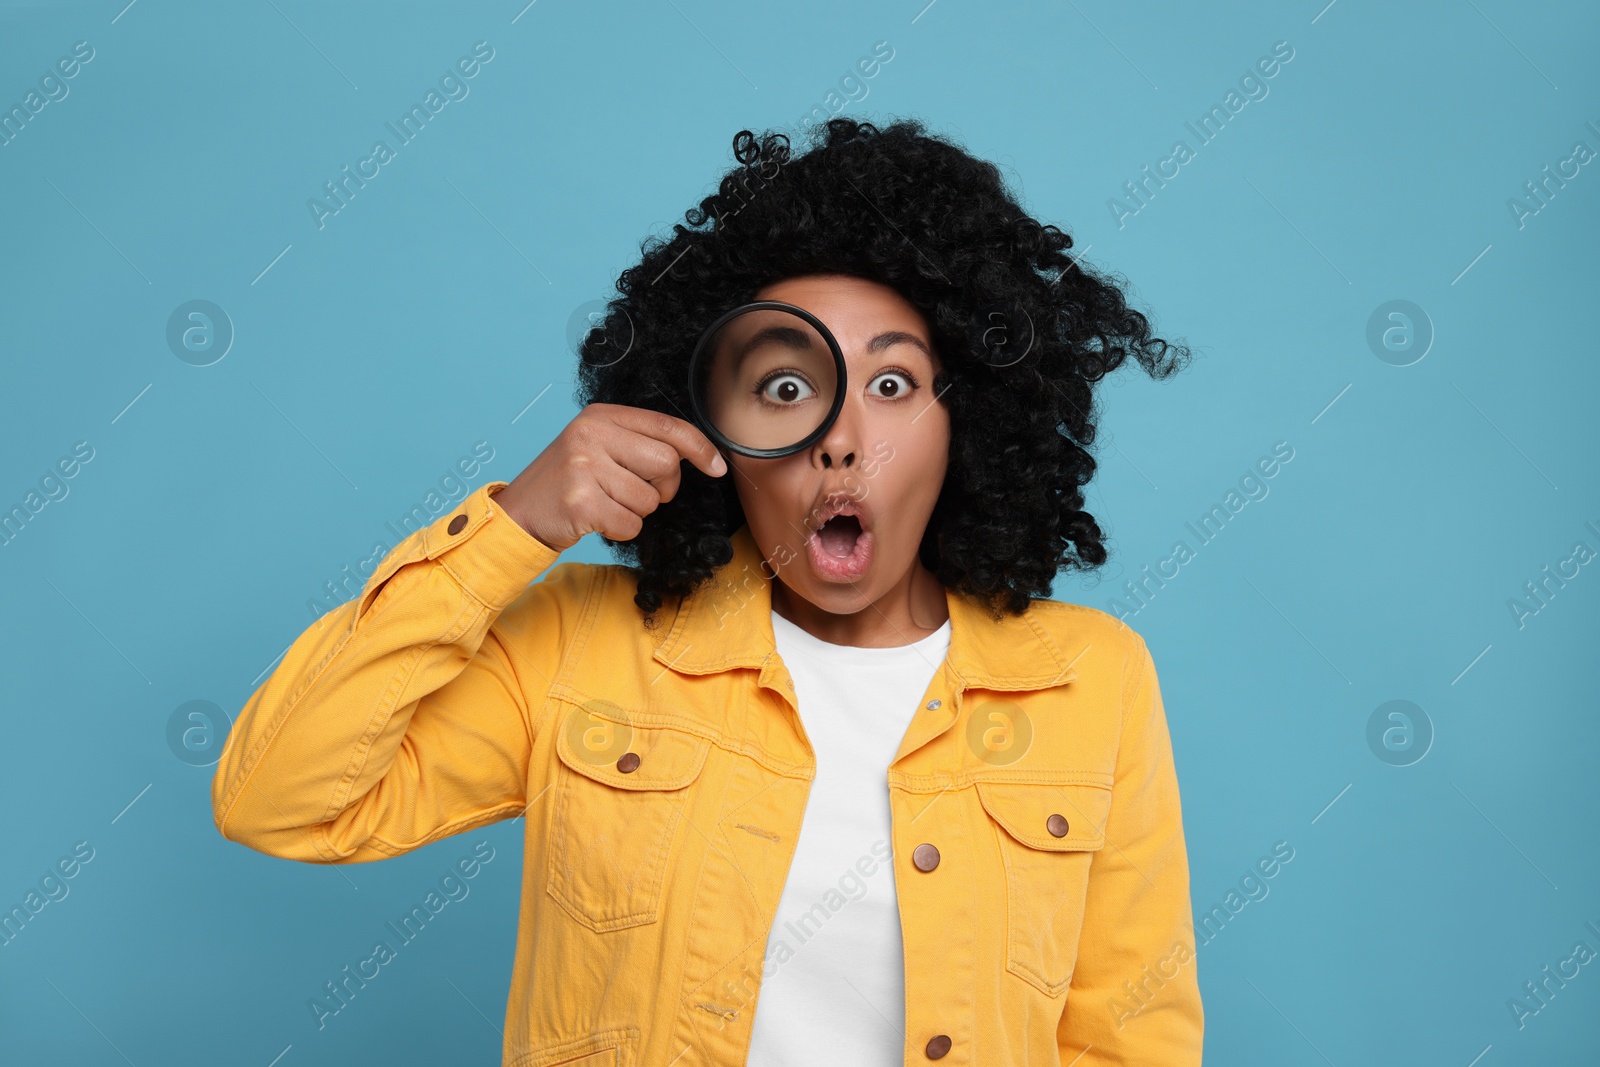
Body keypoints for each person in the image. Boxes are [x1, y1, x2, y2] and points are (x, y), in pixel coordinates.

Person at [211, 117, 1203, 1065]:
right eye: (784, 387)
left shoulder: (1090, 678)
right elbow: (281, 800)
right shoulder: (579, 647)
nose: (841, 434)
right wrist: (514, 526)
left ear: (969, 425)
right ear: (707, 429)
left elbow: (1128, 1031)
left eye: (893, 385)